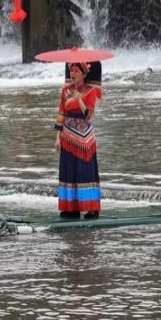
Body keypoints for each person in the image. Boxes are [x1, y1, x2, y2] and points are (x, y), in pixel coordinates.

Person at [53, 61, 103, 219]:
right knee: (69, 171)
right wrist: (57, 137)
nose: (72, 73)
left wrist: (79, 99)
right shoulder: (65, 91)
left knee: (85, 172)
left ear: (84, 73)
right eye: (71, 70)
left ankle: (91, 207)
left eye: (75, 70)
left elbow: (89, 116)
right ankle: (71, 207)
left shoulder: (91, 91)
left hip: (85, 139)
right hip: (67, 137)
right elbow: (61, 113)